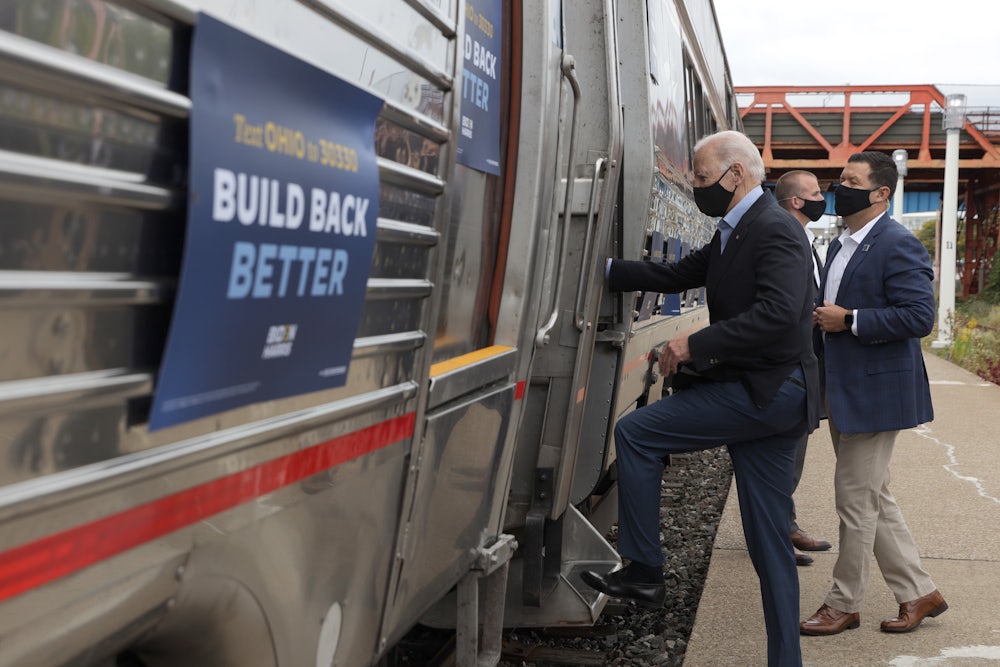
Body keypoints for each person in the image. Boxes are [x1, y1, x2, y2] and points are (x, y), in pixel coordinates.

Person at [581, 130, 820, 667]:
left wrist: (694, 342)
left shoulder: (775, 229)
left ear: (736, 175)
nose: (695, 185)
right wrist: (604, 272)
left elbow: (780, 315)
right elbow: (675, 273)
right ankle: (787, 661)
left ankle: (644, 570)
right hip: (768, 396)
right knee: (767, 541)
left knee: (636, 432)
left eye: (702, 176)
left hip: (769, 393)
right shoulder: (734, 231)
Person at [801, 151, 947, 636]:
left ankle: (843, 604)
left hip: (876, 394)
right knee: (873, 497)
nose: (839, 187)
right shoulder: (840, 244)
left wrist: (851, 320)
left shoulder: (898, 243)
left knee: (854, 501)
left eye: (850, 181)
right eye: (840, 178)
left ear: (881, 193)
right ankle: (919, 592)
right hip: (842, 388)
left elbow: (918, 317)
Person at [775, 170, 834, 567]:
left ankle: (786, 524)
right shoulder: (784, 238)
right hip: (785, 369)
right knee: (780, 454)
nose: (822, 198)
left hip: (807, 367)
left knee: (794, 452)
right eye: (814, 193)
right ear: (797, 201)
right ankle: (775, 535)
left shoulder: (808, 241)